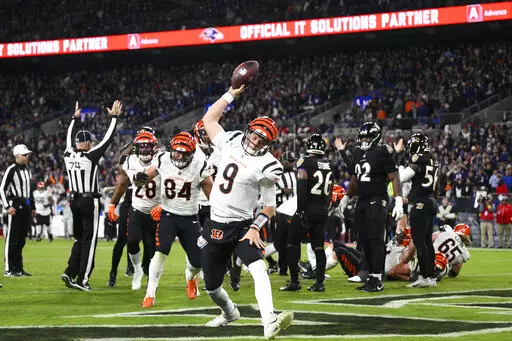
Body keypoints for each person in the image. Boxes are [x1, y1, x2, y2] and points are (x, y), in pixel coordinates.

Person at [200, 85, 293, 339]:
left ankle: (269, 321)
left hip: (242, 225)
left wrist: (255, 227)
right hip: (216, 223)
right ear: (248, 131)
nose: (256, 142)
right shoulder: (229, 141)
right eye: (254, 136)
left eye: (262, 140)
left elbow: (270, 206)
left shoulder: (268, 165)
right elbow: (209, 119)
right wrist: (231, 93)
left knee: (259, 267)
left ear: (269, 143)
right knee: (212, 287)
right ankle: (230, 312)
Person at [138, 132, 213, 307]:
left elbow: (212, 195)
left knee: (197, 262)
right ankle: (150, 294)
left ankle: (190, 277)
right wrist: (140, 178)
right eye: (176, 152)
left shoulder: (199, 166)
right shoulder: (163, 158)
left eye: (182, 153)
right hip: (168, 215)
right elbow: (145, 177)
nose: (177, 155)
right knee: (160, 251)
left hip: (189, 218)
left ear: (191, 154)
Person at [61, 100, 121, 291]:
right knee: (90, 240)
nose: (92, 144)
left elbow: (68, 138)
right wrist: (114, 118)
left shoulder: (68, 154)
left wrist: (74, 119)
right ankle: (82, 279)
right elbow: (108, 140)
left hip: (74, 200)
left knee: (79, 238)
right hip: (89, 200)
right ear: (87, 143)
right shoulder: (90, 155)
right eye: (91, 142)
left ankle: (70, 271)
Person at [339, 122, 403, 292]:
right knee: (364, 240)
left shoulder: (382, 152)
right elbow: (355, 179)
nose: (365, 140)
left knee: (375, 240)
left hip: (378, 199)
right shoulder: (357, 152)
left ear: (376, 137)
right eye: (362, 137)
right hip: (362, 200)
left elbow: (394, 177)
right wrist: (346, 197)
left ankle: (377, 278)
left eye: (368, 137)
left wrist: (398, 200)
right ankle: (370, 276)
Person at [281, 134, 334, 292]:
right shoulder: (329, 164)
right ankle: (319, 283)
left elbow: (302, 187)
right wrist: (326, 207)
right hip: (322, 210)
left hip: (307, 209)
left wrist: (301, 210)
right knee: (318, 247)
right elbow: (330, 190)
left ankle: (294, 281)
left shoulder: (304, 162)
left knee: (291, 244)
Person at [108, 130, 160, 290]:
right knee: (131, 241)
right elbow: (122, 184)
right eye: (141, 146)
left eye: (147, 146)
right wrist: (112, 204)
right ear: (135, 148)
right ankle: (137, 270)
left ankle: (152, 280)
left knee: (152, 248)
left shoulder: (163, 160)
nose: (144, 149)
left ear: (154, 147)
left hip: (156, 210)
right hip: (136, 208)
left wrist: (164, 206)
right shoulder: (129, 161)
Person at [397, 133, 439, 288]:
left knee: (420, 241)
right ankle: (431, 276)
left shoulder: (419, 158)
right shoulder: (432, 157)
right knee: (427, 241)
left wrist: (400, 158)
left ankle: (424, 276)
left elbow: (402, 177)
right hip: (431, 200)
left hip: (421, 202)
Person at [1, 144, 36, 277]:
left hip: (26, 207)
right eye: (24, 155)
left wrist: (32, 206)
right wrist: (7, 206)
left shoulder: (27, 170)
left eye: (27, 155)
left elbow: (29, 190)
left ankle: (18, 268)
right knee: (12, 239)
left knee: (21, 240)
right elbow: (1, 188)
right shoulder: (11, 170)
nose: (27, 156)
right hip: (14, 207)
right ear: (17, 156)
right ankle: (9, 269)